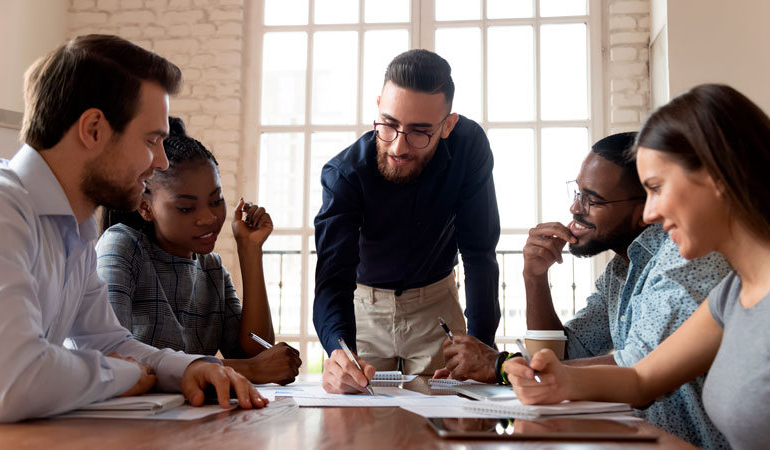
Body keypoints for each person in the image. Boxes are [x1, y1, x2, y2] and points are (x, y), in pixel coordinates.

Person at [0, 35, 266, 423]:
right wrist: (124, 374)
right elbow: (11, 382)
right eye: (152, 140)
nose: (161, 161)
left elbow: (106, 340)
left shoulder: (75, 223)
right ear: (94, 129)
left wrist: (186, 368)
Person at [505, 84, 770, 450]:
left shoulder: (700, 270)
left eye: (657, 188)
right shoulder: (734, 293)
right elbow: (642, 379)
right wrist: (557, 380)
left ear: (716, 177)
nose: (649, 214)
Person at [435, 132, 730, 448]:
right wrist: (535, 278)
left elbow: (639, 366)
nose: (576, 208)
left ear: (645, 206)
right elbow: (565, 354)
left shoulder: (685, 256)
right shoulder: (619, 271)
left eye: (593, 199)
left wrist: (501, 366)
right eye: (577, 192)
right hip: (648, 439)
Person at [314, 49, 501, 394]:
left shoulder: (469, 147)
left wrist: (481, 344)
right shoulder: (344, 174)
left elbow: (479, 252)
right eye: (390, 124)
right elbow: (333, 279)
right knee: (359, 423)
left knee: (451, 418)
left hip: (437, 306)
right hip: (364, 308)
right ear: (378, 106)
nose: (398, 146)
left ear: (448, 125)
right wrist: (339, 352)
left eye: (419, 132)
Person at [96, 117, 301, 386]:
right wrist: (247, 370)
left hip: (193, 422)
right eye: (185, 208)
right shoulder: (122, 248)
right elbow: (113, 358)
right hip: (131, 424)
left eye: (216, 201)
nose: (208, 218)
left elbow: (258, 354)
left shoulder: (211, 269)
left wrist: (249, 250)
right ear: (145, 208)